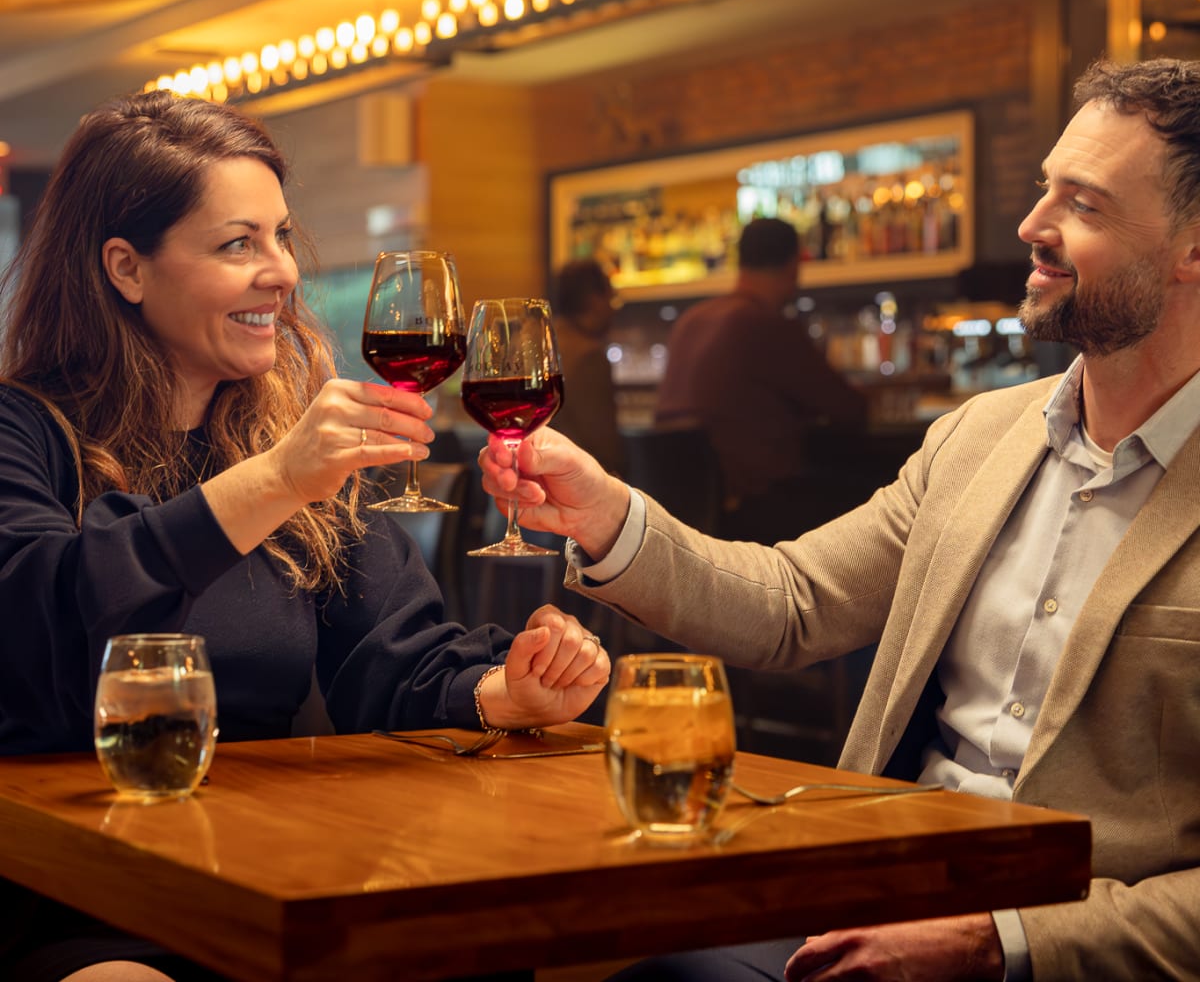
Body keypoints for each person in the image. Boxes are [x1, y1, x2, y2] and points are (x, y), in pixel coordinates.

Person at [478, 56, 1200, 981]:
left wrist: (1002, 943)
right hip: (878, 880)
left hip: (1066, 947)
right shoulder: (978, 436)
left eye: (1086, 204)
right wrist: (608, 515)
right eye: (1044, 189)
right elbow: (792, 602)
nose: (1032, 226)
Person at [0, 91, 609, 982]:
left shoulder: (283, 445)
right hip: (75, 890)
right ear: (126, 268)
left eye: (281, 236)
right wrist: (275, 481)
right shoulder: (25, 431)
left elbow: (396, 656)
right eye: (237, 243)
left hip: (262, 867)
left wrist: (503, 692)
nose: (281, 271)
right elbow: (43, 616)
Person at [654, 216, 866, 542]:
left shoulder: (690, 320)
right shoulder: (766, 324)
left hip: (681, 512)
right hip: (754, 515)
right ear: (795, 264)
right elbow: (849, 408)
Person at [551, 258, 626, 477]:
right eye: (611, 298)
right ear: (595, 301)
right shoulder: (589, 356)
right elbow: (604, 451)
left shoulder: (541, 342)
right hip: (572, 489)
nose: (613, 310)